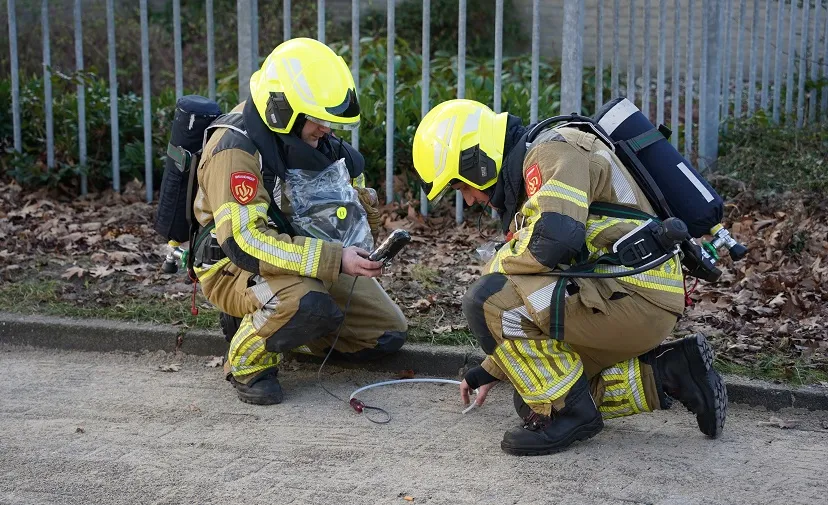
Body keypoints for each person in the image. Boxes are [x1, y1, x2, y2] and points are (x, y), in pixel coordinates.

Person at [411, 99, 727, 456]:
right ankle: (672, 374)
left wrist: (495, 269)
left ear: (476, 161)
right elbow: (551, 276)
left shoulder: (553, 150)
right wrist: (492, 368)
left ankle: (573, 415)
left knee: (486, 298)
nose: (468, 201)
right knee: (535, 396)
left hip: (629, 293)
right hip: (627, 293)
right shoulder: (543, 158)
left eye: (460, 187)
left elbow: (555, 239)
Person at [191, 38, 407, 405]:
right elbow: (246, 244)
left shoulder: (311, 138)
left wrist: (359, 225)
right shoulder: (234, 151)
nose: (326, 128)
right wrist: (336, 260)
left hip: (300, 253)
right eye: (317, 119)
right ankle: (245, 361)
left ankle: (278, 324)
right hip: (232, 266)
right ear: (282, 109)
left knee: (385, 335)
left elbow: (346, 208)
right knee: (308, 304)